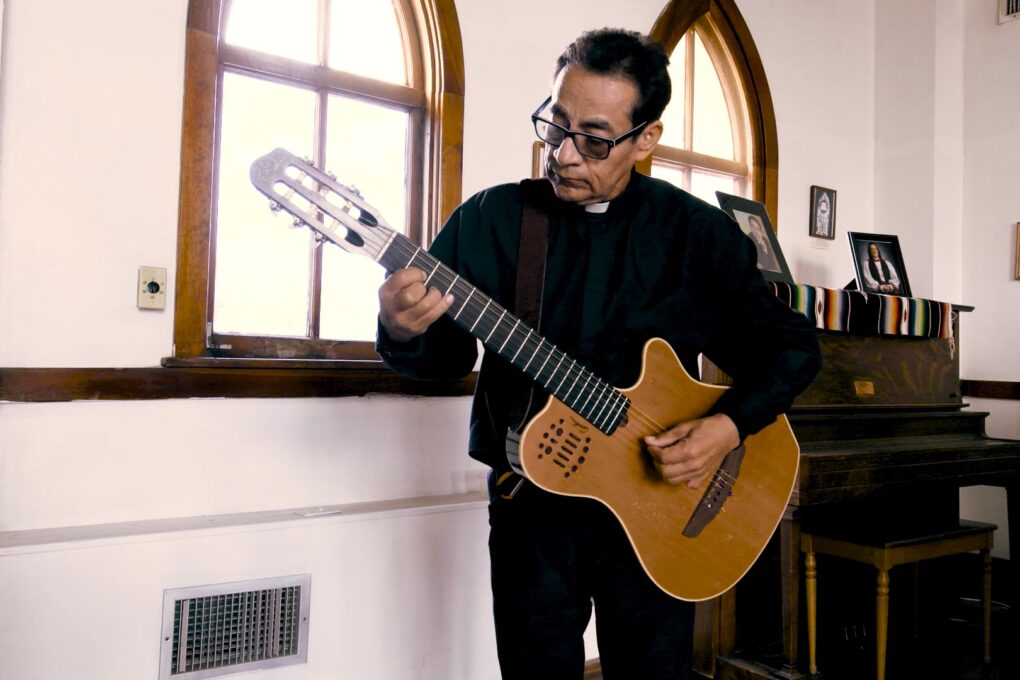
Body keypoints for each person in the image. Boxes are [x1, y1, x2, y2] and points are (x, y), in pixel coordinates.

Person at [376, 28, 821, 680]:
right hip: (531, 511)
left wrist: (726, 427)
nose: (564, 154)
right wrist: (403, 325)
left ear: (646, 139)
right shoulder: (493, 221)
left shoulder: (696, 237)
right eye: (555, 124)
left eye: (594, 138)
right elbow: (443, 361)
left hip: (662, 511)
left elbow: (792, 350)